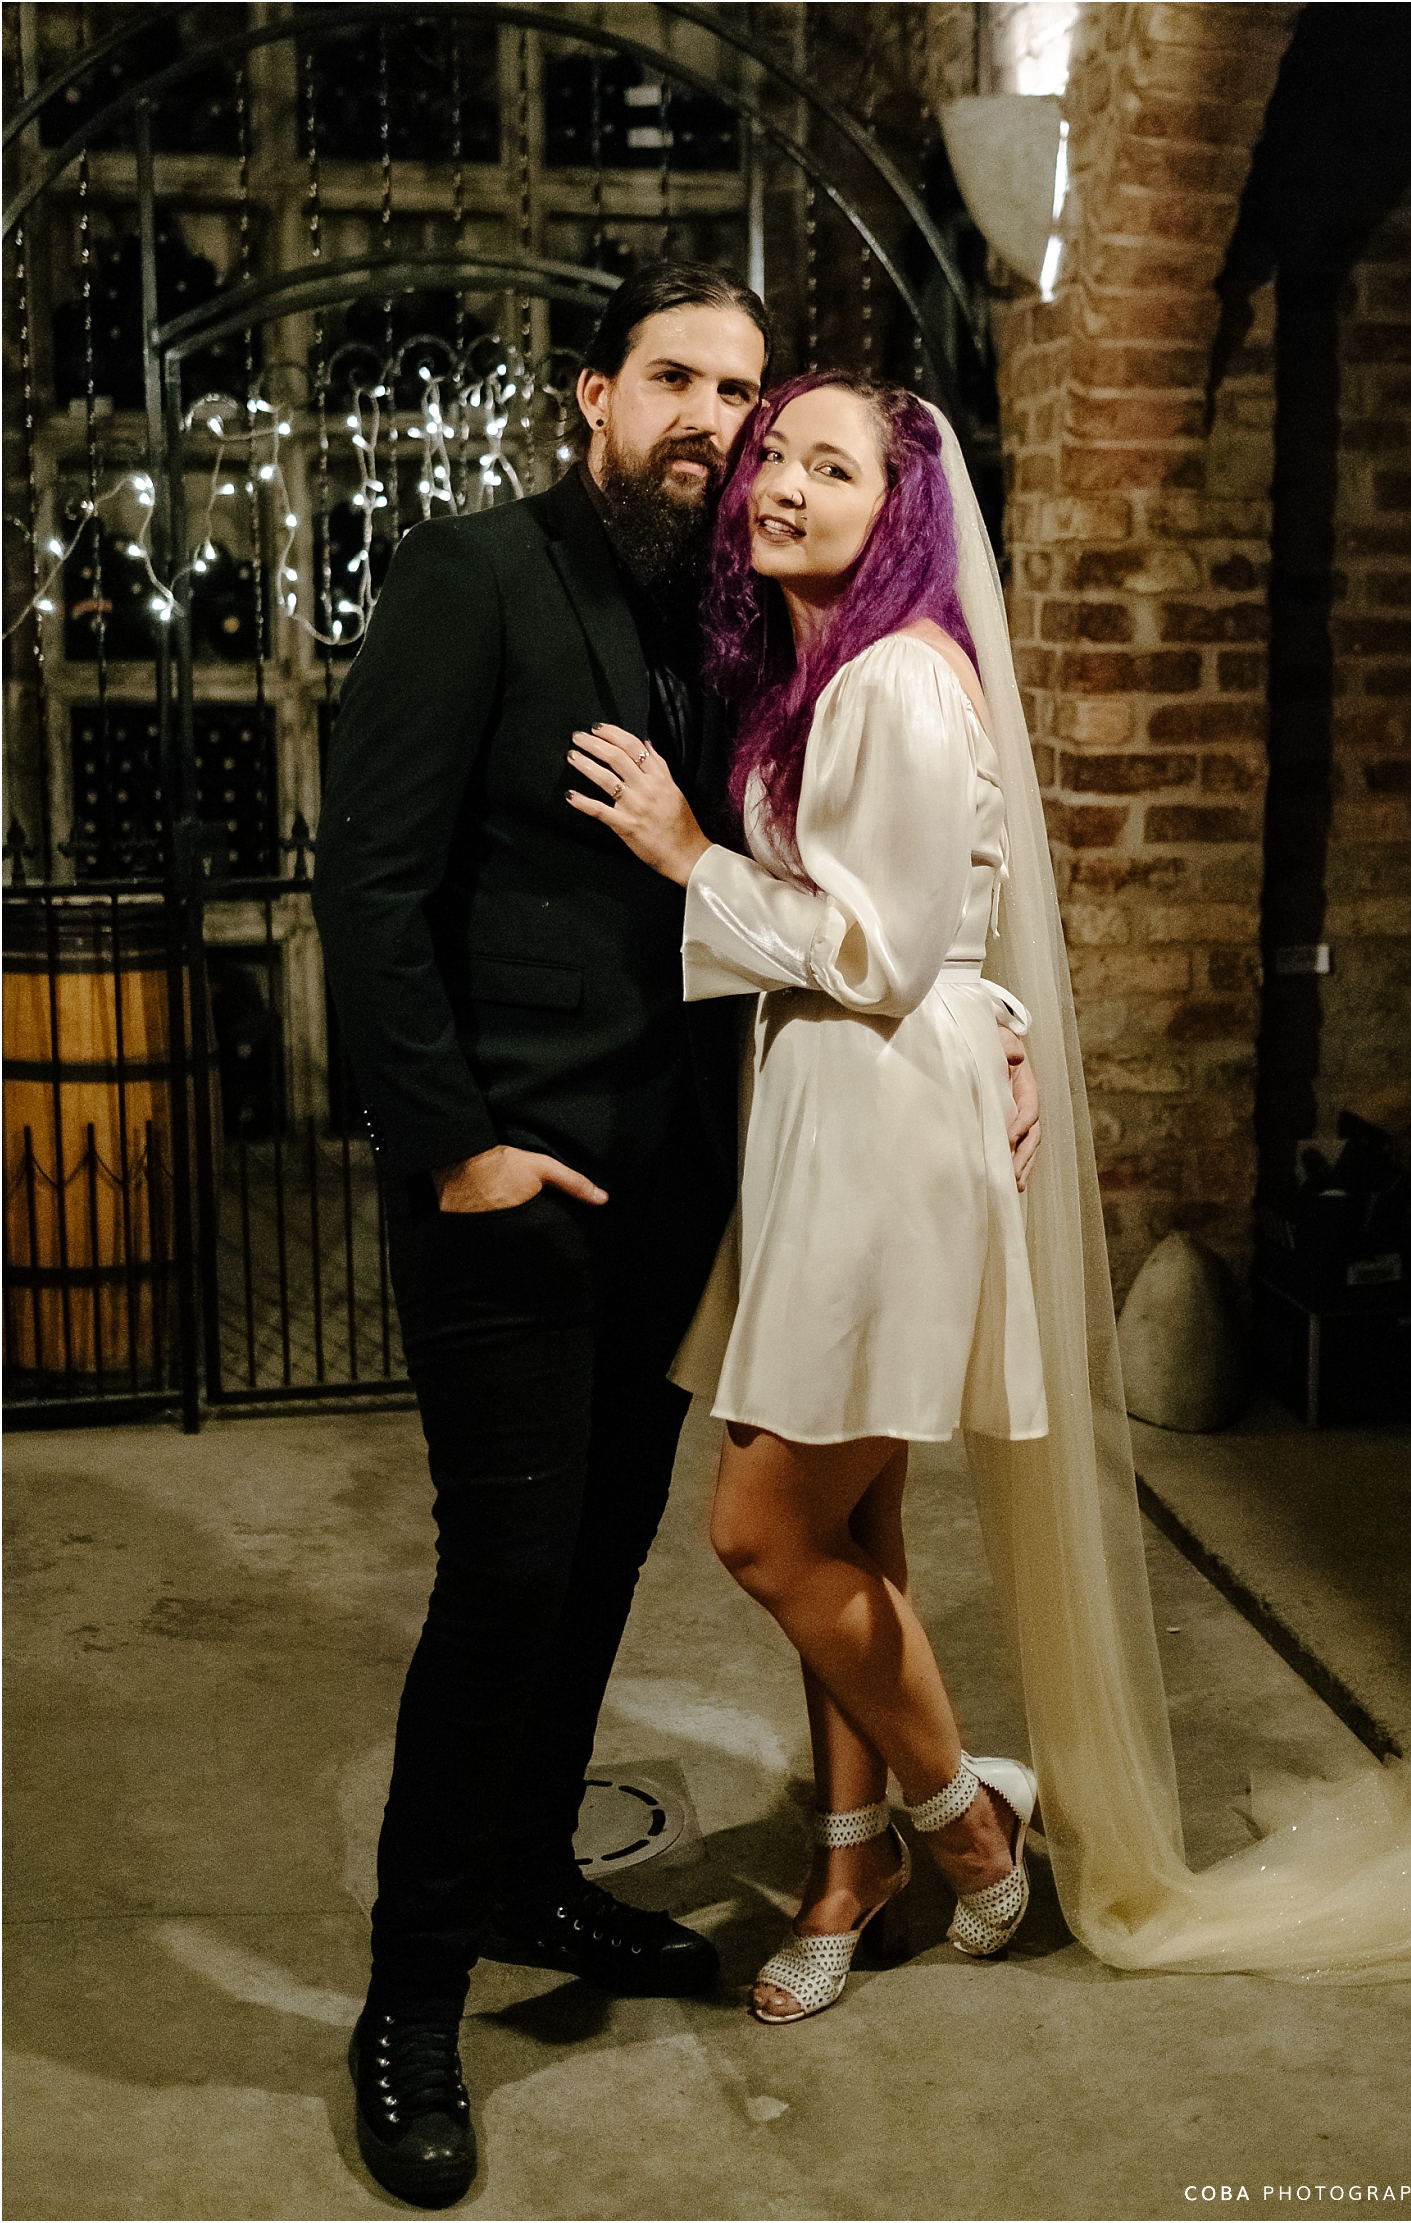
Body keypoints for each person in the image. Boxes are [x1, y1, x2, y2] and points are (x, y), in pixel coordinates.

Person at [568, 370, 1411, 2024]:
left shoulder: (897, 688)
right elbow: (941, 930)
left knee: (762, 1531)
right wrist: (988, 1014)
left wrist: (686, 853)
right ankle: (851, 1861)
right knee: (849, 1528)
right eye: (774, 453)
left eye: (824, 467)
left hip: (881, 1151)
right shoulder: (833, 666)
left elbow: (872, 947)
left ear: (896, 510)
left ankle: (962, 1830)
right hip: (837, 1121)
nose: (776, 481)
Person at [312, 263, 769, 2210]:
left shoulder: (738, 624)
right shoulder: (472, 575)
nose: (709, 418)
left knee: (592, 1567)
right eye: (675, 375)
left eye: (741, 391)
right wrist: (455, 1149)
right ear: (595, 389)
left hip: (673, 1181)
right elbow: (372, 881)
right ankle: (410, 1997)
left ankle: (526, 1877)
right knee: (502, 1571)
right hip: (512, 1177)